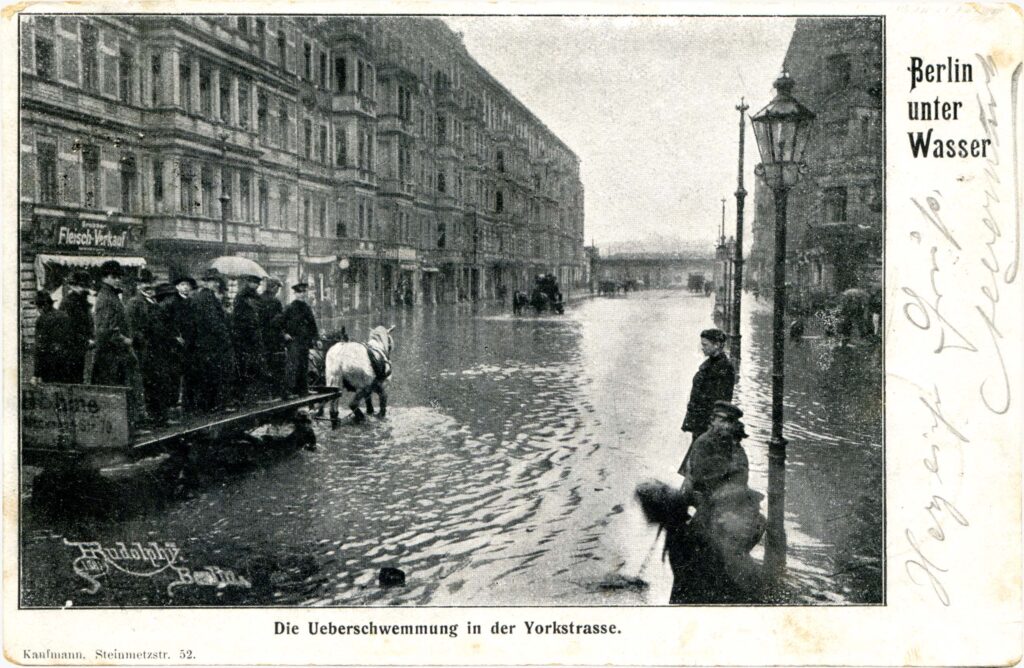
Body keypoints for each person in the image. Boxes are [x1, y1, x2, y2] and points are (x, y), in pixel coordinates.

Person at [91, 260, 145, 428]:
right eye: (113, 276)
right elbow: (108, 329)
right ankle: (117, 428)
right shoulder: (106, 297)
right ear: (105, 277)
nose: (117, 280)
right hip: (111, 355)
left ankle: (125, 425)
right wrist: (126, 340)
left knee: (123, 390)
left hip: (116, 354)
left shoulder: (111, 295)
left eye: (118, 276)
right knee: (115, 391)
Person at [126, 270, 174, 427]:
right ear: (138, 285)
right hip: (145, 350)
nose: (147, 286)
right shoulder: (135, 302)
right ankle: (149, 417)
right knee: (148, 384)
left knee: (158, 383)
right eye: (143, 283)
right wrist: (145, 342)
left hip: (157, 349)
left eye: (149, 282)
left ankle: (159, 416)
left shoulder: (152, 302)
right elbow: (133, 328)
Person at [189, 268, 234, 412]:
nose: (215, 284)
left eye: (216, 281)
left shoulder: (198, 297)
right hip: (212, 343)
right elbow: (214, 322)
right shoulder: (208, 298)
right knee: (216, 374)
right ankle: (217, 405)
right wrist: (225, 336)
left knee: (205, 375)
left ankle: (206, 406)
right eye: (212, 281)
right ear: (206, 283)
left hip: (201, 343)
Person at [681, 328, 736, 441]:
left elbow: (722, 400)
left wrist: (713, 426)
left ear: (716, 345)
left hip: (708, 425)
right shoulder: (711, 364)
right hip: (701, 423)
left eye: (705, 345)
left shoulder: (724, 368)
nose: (702, 348)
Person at [280, 281, 319, 397]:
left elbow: (312, 324)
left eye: (303, 292)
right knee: (293, 365)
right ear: (295, 294)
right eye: (299, 292)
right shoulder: (290, 307)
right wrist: (284, 334)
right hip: (293, 341)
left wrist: (316, 338)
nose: (301, 294)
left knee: (304, 365)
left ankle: (303, 390)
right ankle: (289, 391)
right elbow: (280, 323)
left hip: (304, 341)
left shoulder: (307, 308)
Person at [232, 274, 266, 404]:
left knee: (251, 366)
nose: (256, 285)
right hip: (244, 337)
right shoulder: (242, 296)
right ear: (249, 283)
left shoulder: (253, 296)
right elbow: (240, 317)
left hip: (251, 336)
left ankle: (249, 396)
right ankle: (242, 396)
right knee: (244, 366)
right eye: (254, 283)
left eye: (257, 283)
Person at [32, 290, 75, 383]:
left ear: (42, 307)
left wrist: (36, 374)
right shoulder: (64, 316)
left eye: (37, 307)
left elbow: (40, 347)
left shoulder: (42, 320)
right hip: (67, 363)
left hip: (50, 365)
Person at [60, 270, 94, 384]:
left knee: (78, 376)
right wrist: (85, 340)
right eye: (81, 286)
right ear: (73, 286)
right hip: (69, 348)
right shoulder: (69, 303)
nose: (84, 289)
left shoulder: (82, 301)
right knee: (71, 379)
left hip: (79, 347)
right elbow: (68, 328)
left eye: (85, 286)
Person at [258, 277, 287, 400]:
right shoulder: (275, 302)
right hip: (274, 340)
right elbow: (280, 322)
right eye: (278, 288)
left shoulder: (259, 299)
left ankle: (265, 395)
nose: (278, 291)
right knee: (277, 367)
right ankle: (277, 394)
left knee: (265, 366)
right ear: (274, 287)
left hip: (261, 339)